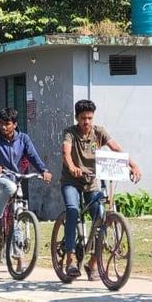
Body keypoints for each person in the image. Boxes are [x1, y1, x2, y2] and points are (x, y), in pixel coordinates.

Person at [59, 100, 141, 279]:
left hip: (91, 182)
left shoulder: (99, 132)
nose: (86, 122)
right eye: (82, 118)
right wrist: (72, 167)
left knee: (102, 217)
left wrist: (133, 165)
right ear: (77, 118)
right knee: (73, 210)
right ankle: (70, 257)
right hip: (71, 181)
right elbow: (66, 153)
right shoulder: (69, 133)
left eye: (89, 118)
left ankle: (93, 262)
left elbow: (116, 148)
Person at [0, 108, 52, 222]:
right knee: (10, 187)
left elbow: (33, 156)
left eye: (7, 124)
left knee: (17, 200)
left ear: (15, 124)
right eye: (1, 123)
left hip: (15, 179)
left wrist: (43, 170)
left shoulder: (23, 139)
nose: (3, 127)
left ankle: (17, 237)